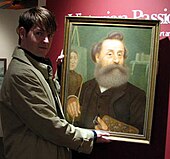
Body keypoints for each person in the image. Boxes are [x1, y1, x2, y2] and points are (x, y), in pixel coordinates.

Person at [0, 7, 110, 159]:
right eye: (39, 33)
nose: (46, 41)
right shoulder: (21, 74)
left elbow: (48, 98)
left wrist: (60, 71)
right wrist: (90, 135)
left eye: (49, 35)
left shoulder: (35, 68)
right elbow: (49, 125)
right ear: (22, 32)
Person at [67, 31, 146, 134]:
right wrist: (70, 101)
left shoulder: (137, 95)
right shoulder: (85, 88)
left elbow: (140, 134)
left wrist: (112, 131)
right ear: (97, 57)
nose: (116, 60)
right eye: (110, 54)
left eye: (120, 54)